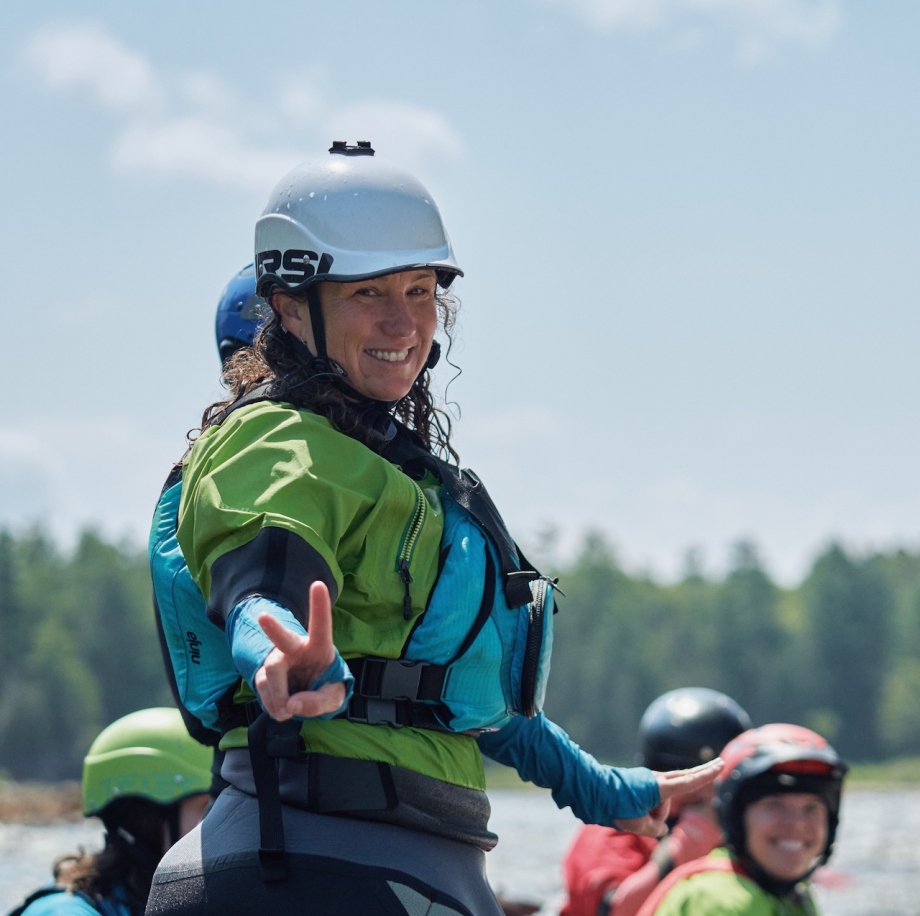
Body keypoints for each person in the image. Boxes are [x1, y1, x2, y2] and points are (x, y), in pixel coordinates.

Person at [146, 141, 723, 916]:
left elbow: (453, 694)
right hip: (326, 862)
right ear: (289, 308)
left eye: (420, 291)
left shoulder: (399, 472)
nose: (402, 320)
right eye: (367, 293)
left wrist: (608, 790)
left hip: (392, 861)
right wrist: (282, 653)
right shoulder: (276, 443)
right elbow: (262, 576)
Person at [561, 688, 751, 916]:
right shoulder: (612, 825)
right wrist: (679, 853)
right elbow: (611, 910)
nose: (709, 792)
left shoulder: (742, 829)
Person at [10, 709, 211, 916]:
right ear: (146, 819)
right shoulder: (63, 911)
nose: (218, 821)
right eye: (206, 808)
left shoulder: (159, 901)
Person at [634, 723, 848, 916]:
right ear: (735, 817)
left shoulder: (793, 894)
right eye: (774, 805)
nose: (797, 822)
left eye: (811, 808)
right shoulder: (717, 900)